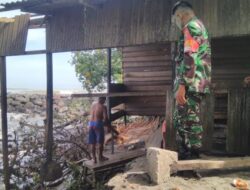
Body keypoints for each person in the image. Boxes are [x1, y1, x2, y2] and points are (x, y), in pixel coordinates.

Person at [171, 1, 211, 160]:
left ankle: (191, 157)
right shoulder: (199, 26)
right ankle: (189, 153)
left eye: (176, 18)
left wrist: (182, 85)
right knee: (185, 118)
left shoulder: (191, 27)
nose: (176, 22)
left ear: (181, 15)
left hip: (190, 83)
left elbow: (189, 57)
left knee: (187, 119)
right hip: (195, 82)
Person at [88, 97, 109, 163]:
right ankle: (100, 157)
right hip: (98, 124)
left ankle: (94, 159)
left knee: (93, 143)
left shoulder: (93, 105)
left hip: (91, 124)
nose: (104, 102)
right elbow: (105, 118)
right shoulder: (103, 107)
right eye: (104, 100)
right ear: (103, 100)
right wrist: (108, 125)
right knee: (100, 142)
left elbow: (91, 114)